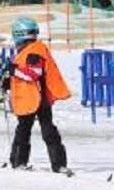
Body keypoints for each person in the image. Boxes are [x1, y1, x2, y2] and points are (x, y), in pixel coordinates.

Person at [5, 16, 71, 173]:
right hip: (30, 97)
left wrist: (14, 70)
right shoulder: (26, 51)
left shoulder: (34, 51)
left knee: (42, 130)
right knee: (26, 129)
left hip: (38, 99)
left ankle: (55, 163)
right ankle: (19, 161)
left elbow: (33, 74)